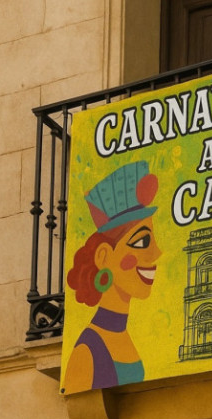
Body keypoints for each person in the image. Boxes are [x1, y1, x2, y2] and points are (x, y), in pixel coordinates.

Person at [62, 160, 161, 394]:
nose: (157, 252)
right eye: (142, 242)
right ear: (104, 256)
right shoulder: (87, 352)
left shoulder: (122, 334)